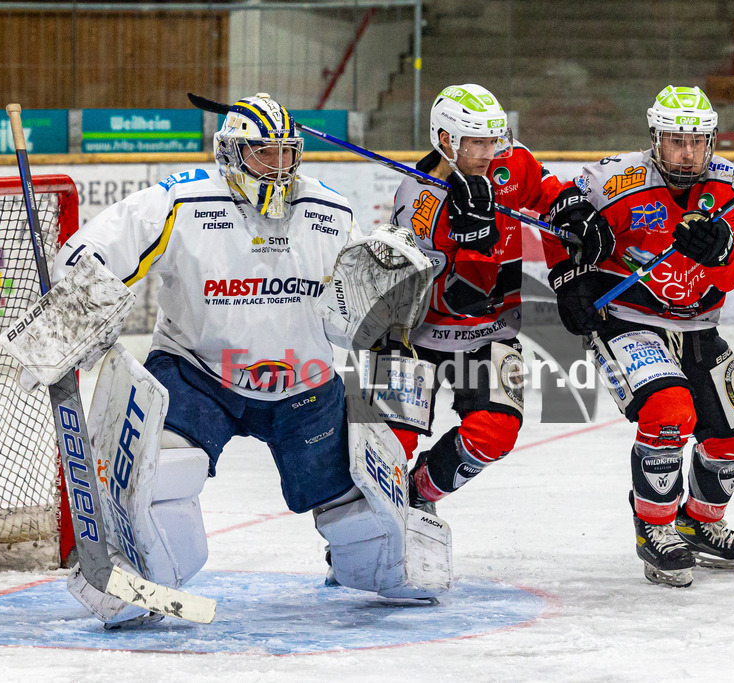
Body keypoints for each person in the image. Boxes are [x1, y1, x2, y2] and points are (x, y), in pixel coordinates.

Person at [47, 93, 442, 626]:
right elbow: (96, 247)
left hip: (304, 384)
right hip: (198, 374)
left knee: (362, 519)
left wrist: (385, 300)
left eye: (287, 153)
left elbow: (352, 314)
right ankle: (138, 570)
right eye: (263, 153)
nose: (278, 166)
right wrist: (78, 291)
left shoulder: (330, 212)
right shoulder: (183, 202)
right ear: (230, 152)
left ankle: (374, 565)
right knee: (162, 479)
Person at [546, 86, 734, 588]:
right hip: (628, 318)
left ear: (712, 140)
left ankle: (698, 523)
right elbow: (559, 218)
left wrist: (720, 252)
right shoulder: (613, 179)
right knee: (669, 411)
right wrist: (568, 278)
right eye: (675, 141)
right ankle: (655, 527)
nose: (687, 153)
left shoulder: (733, 186)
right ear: (654, 138)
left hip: (698, 324)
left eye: (697, 142)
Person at [380, 83, 613, 512]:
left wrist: (573, 213)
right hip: (412, 334)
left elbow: (547, 192)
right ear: (446, 139)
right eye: (477, 142)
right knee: (387, 442)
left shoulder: (510, 162)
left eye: (493, 140)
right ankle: (372, 518)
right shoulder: (418, 200)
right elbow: (458, 298)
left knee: (495, 433)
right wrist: (475, 242)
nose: (489, 153)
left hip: (489, 332)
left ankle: (418, 493)